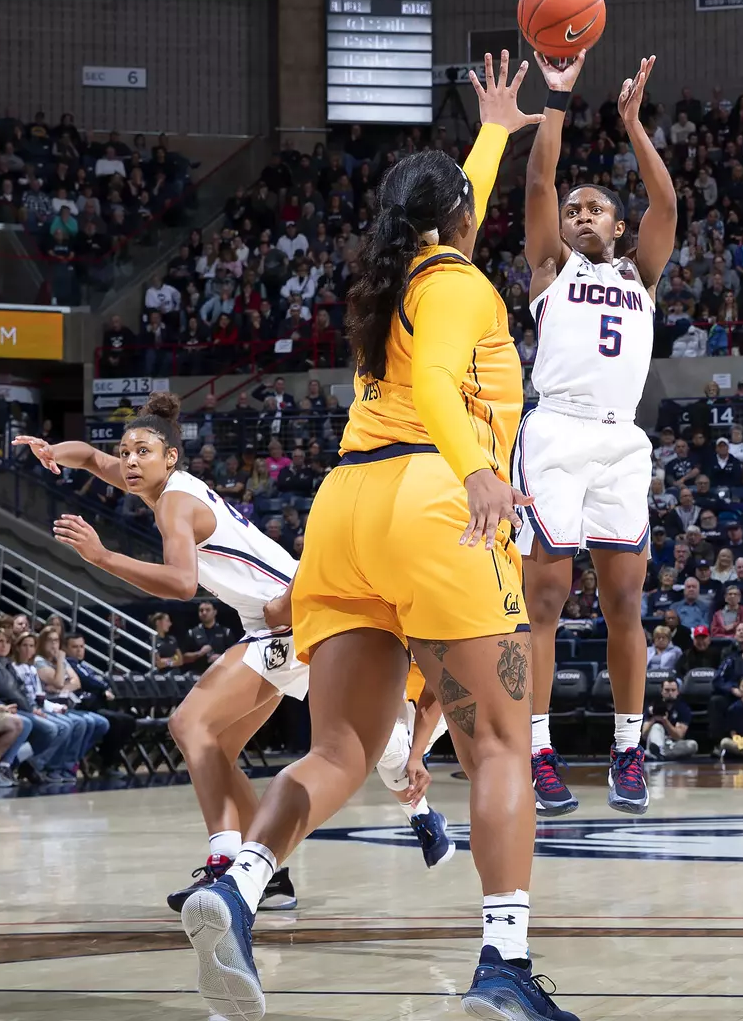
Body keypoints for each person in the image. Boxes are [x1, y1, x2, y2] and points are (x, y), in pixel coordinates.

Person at [172, 55, 578, 1021]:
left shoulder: (393, 275)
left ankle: (238, 882)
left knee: (342, 751)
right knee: (498, 750)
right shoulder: (464, 286)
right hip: (436, 500)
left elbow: (453, 208)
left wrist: (492, 131)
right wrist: (479, 470)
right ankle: (503, 967)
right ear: (460, 227)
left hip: (345, 515)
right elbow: (441, 382)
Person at [16, 394, 452, 914]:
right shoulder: (154, 483)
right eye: (125, 452)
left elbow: (182, 584)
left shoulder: (175, 503)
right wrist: (53, 452)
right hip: (273, 618)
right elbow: (90, 458)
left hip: (288, 617)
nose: (129, 462)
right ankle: (274, 873)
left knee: (189, 725)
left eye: (142, 452)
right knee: (219, 748)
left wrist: (102, 555)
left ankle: (226, 863)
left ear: (170, 457)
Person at [517, 51, 676, 818]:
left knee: (624, 604)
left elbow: (667, 206)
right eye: (574, 209)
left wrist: (633, 124)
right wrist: (558, 97)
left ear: (618, 226)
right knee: (544, 597)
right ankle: (539, 749)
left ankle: (627, 748)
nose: (580, 216)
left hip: (620, 444)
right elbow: (539, 182)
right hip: (555, 432)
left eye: (594, 210)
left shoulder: (641, 275)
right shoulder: (549, 267)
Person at [643, 675, 697, 759]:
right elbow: (644, 734)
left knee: (692, 745)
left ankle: (658, 754)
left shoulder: (683, 708)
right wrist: (653, 719)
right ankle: (658, 752)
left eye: (673, 690)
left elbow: (678, 736)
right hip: (655, 741)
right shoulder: (653, 706)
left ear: (678, 692)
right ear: (661, 691)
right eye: (667, 690)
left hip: (672, 744)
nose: (670, 693)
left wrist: (665, 721)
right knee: (657, 726)